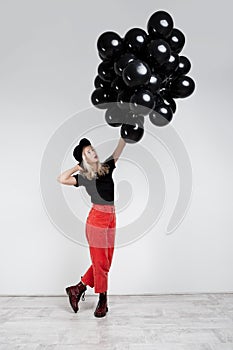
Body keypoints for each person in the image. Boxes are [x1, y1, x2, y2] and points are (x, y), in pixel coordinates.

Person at [57, 137, 126, 317]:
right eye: (88, 152)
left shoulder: (107, 168)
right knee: (101, 263)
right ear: (84, 159)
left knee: (106, 261)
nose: (93, 152)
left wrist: (126, 133)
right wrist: (76, 167)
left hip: (111, 217)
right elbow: (61, 179)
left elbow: (120, 148)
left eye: (92, 149)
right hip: (96, 220)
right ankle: (103, 299)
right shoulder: (85, 177)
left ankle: (77, 289)